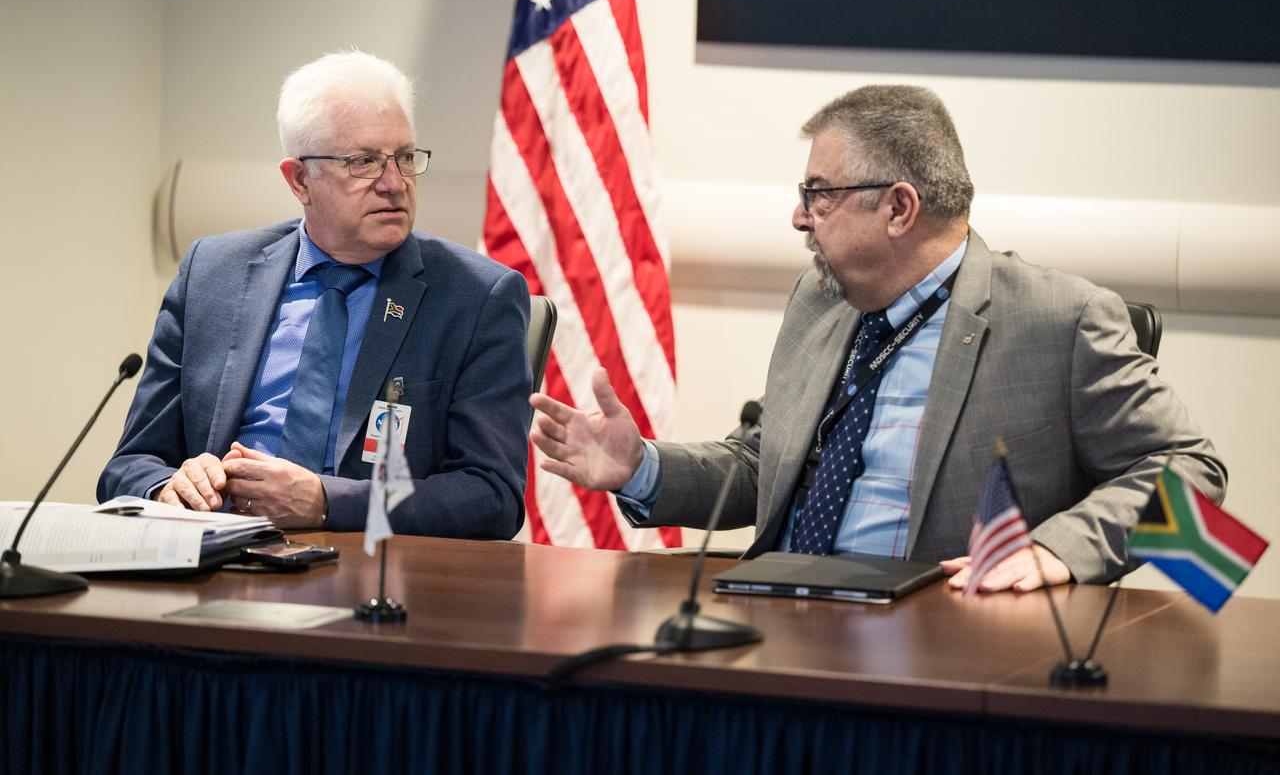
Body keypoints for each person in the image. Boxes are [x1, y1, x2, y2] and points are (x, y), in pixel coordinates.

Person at [529, 85, 1226, 592]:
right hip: (776, 616)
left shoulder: (1060, 320)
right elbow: (766, 465)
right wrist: (640, 465)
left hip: (937, 647)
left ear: (899, 207)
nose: (799, 217)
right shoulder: (820, 297)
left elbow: (1194, 474)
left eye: (819, 194)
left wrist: (1061, 551)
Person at [99, 51, 531, 538]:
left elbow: (491, 496)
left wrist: (327, 502)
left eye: (405, 157)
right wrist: (168, 487)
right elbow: (128, 465)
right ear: (299, 179)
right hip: (213, 556)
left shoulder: (477, 297)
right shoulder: (212, 275)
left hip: (367, 576)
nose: (395, 183)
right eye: (363, 162)